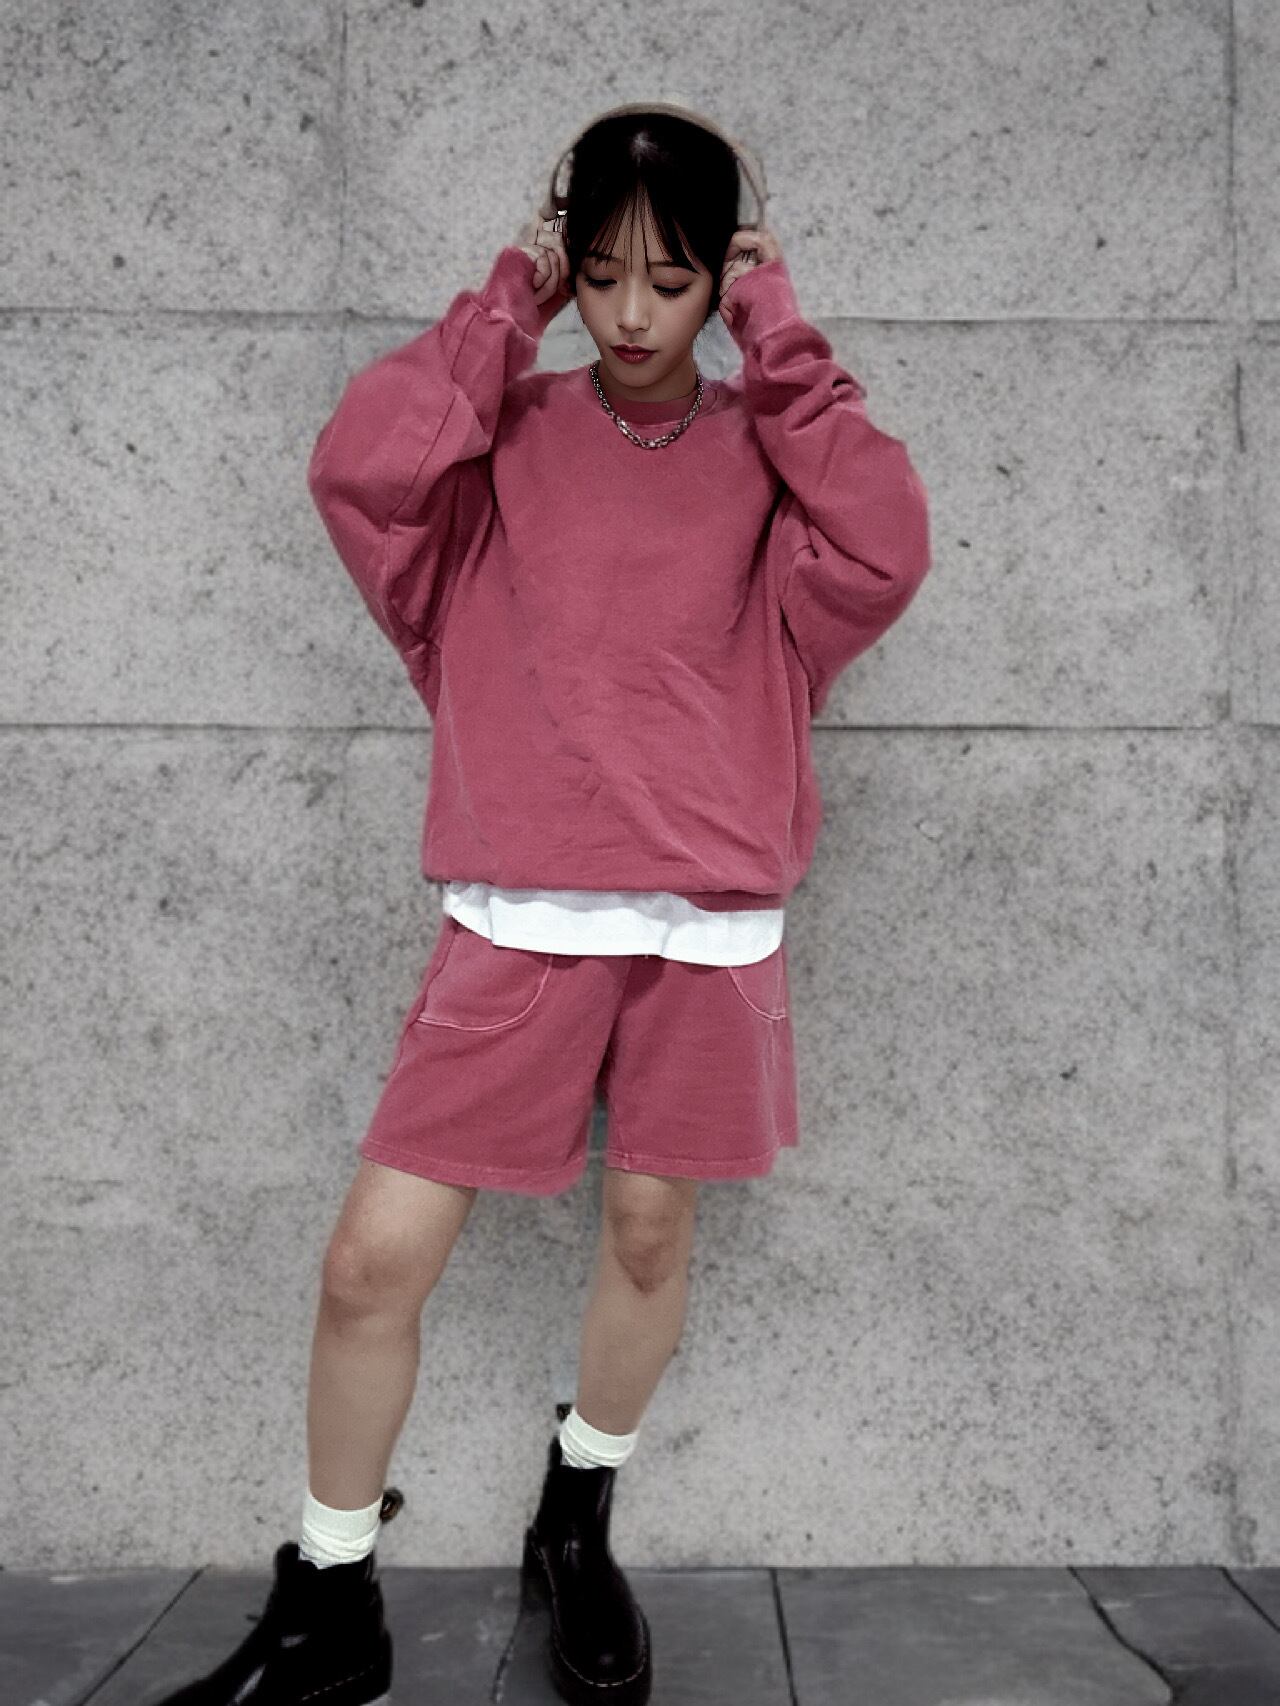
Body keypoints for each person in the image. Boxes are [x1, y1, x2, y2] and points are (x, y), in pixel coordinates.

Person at [148, 102, 931, 1706]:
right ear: (563, 263)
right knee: (371, 1262)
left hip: (705, 926)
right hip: (517, 917)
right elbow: (360, 471)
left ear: (724, 278)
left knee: (647, 1235)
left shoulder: (767, 449)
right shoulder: (500, 437)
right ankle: (330, 1600)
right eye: (601, 273)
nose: (633, 315)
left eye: (675, 280)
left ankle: (577, 1513)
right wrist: (505, 307)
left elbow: (886, 545)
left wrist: (783, 341)